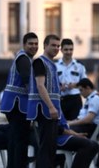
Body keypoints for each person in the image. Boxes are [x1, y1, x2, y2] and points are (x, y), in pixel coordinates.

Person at [0, 32, 39, 168]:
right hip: (17, 105)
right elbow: (28, 82)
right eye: (31, 44)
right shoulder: (24, 59)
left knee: (14, 140)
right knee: (21, 141)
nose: (34, 46)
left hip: (13, 104)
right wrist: (37, 101)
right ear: (24, 45)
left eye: (36, 44)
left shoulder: (24, 58)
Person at [27, 34, 62, 168]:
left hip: (50, 111)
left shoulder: (51, 64)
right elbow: (40, 86)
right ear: (45, 46)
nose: (56, 48)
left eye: (58, 46)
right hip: (44, 110)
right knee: (46, 148)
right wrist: (51, 107)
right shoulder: (40, 62)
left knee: (50, 147)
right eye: (53, 45)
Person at [56, 38, 87, 121]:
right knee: (60, 126)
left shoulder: (79, 66)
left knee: (75, 125)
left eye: (71, 49)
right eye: (66, 49)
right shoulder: (55, 66)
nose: (69, 52)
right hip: (60, 99)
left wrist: (75, 85)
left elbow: (85, 83)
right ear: (61, 50)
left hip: (75, 99)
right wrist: (58, 88)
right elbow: (51, 83)